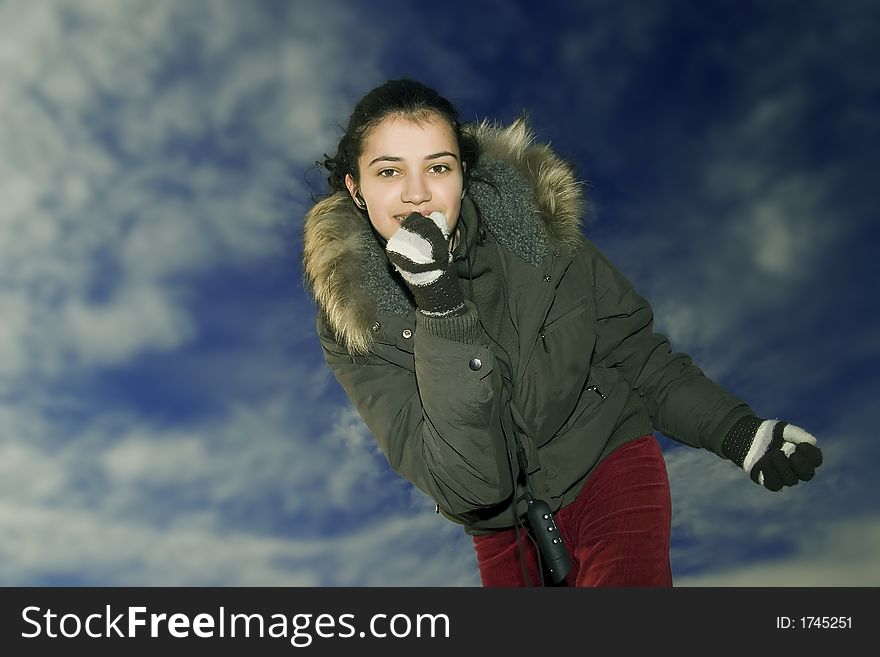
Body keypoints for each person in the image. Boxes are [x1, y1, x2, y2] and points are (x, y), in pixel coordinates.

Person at [302, 78, 824, 587]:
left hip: (608, 464)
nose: (417, 195)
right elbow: (468, 485)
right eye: (389, 172)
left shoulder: (539, 229)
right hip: (506, 529)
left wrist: (742, 435)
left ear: (462, 172)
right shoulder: (356, 323)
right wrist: (440, 308)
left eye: (438, 167)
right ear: (356, 188)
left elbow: (638, 357)